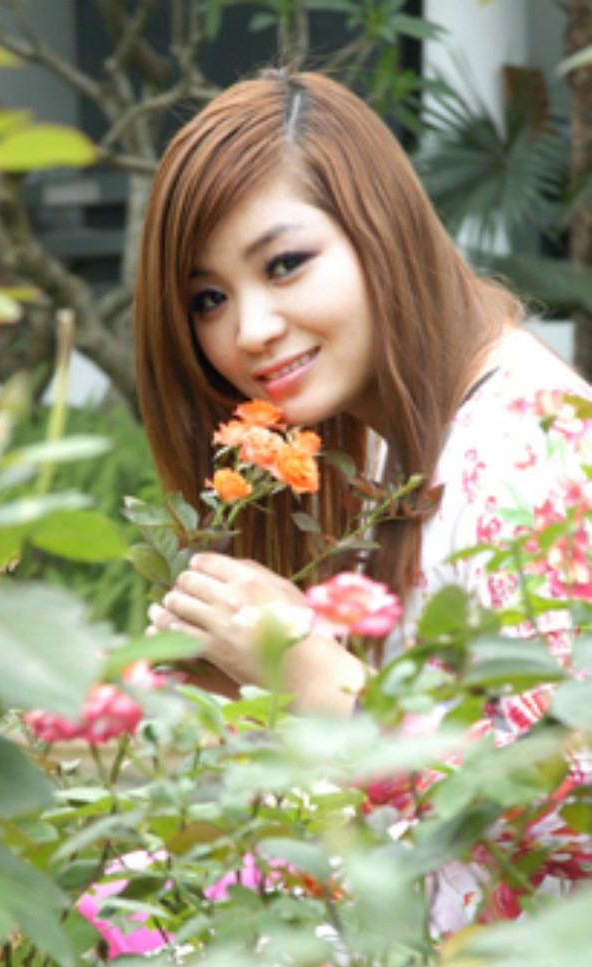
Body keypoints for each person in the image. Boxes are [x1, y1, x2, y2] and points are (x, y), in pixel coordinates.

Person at [133, 69, 592, 717]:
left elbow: (562, 771)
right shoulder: (385, 458)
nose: (251, 330)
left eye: (284, 265)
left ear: (381, 227)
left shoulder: (527, 451)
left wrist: (316, 679)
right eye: (209, 299)